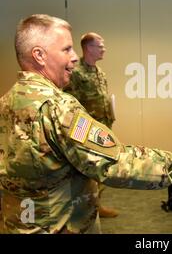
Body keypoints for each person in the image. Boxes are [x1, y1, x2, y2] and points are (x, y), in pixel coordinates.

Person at [0, 14, 172, 234]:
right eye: (66, 49)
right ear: (39, 55)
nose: (74, 57)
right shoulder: (58, 107)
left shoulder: (6, 102)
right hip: (59, 226)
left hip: (19, 223)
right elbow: (114, 162)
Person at [64, 32, 117, 218]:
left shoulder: (99, 72)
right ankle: (84, 209)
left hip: (102, 128)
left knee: (101, 167)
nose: (104, 48)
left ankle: (96, 206)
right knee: (84, 171)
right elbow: (70, 103)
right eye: (100, 45)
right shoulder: (75, 72)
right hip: (85, 130)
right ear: (88, 48)